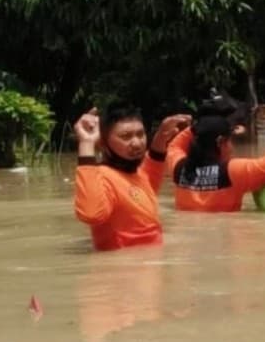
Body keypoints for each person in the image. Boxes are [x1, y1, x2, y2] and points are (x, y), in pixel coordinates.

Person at [73, 104, 191, 251]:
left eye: (140, 134)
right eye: (125, 136)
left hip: (150, 265)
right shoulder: (101, 176)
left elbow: (152, 171)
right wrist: (86, 142)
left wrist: (161, 137)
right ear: (103, 142)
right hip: (123, 271)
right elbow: (91, 214)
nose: (136, 143)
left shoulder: (136, 174)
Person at [166, 100, 265, 212]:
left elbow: (174, 146)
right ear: (220, 142)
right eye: (229, 141)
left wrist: (198, 127)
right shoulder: (231, 171)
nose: (232, 148)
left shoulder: (179, 169)